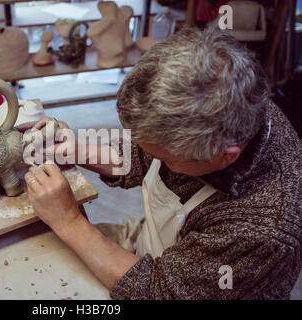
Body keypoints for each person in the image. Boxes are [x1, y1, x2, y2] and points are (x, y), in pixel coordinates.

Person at [17, 27, 301, 299]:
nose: (154, 157)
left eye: (166, 158)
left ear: (226, 155)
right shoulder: (230, 98)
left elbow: (159, 291)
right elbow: (146, 150)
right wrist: (77, 150)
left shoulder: (261, 231)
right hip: (158, 247)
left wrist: (69, 221)